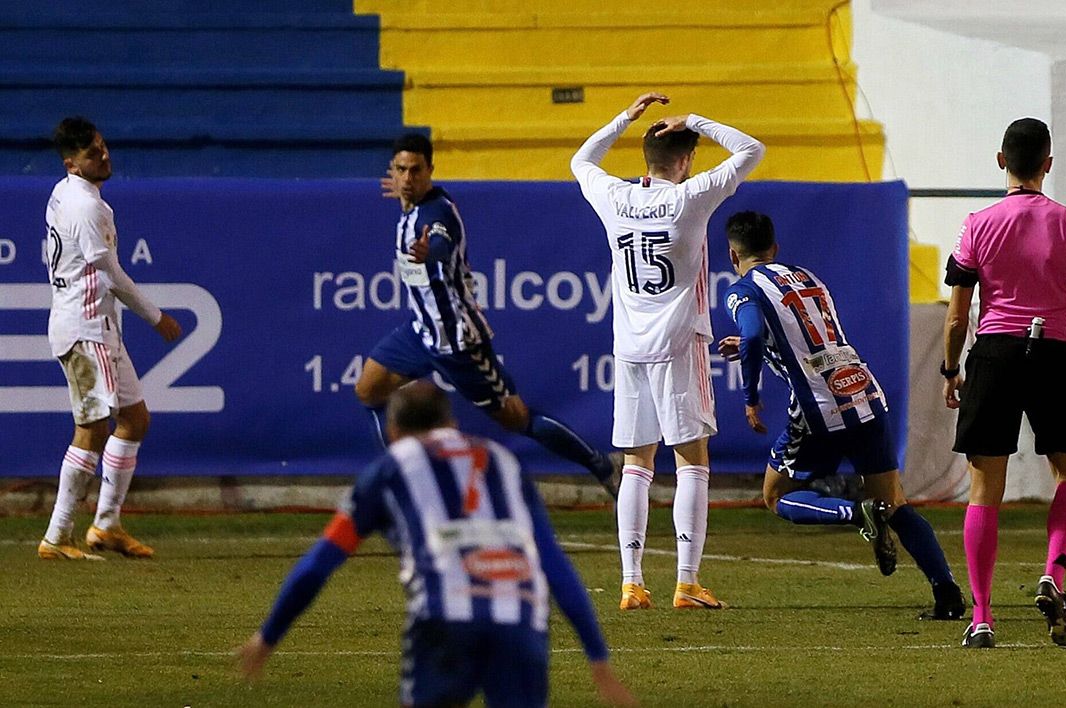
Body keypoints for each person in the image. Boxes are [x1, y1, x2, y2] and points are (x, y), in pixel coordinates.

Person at [236, 381, 636, 708]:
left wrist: (268, 636)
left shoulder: (389, 469)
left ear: (392, 432)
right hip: (521, 619)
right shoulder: (503, 461)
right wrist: (597, 655)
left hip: (445, 620)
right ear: (451, 419)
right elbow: (553, 563)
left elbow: (320, 563)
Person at [718, 211, 965, 620]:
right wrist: (753, 343)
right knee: (895, 502)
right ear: (775, 249)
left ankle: (853, 512)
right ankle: (948, 594)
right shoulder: (807, 277)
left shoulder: (742, 290)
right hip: (863, 389)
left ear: (732, 255)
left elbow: (756, 332)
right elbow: (803, 336)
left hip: (819, 407)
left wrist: (750, 396)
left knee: (775, 495)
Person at [571, 93, 764, 610]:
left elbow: (580, 160)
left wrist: (622, 120)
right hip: (680, 344)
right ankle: (686, 580)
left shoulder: (614, 196)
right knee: (692, 460)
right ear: (685, 159)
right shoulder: (689, 198)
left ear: (646, 159)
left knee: (636, 462)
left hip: (629, 348)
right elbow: (751, 150)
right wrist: (696, 118)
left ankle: (631, 582)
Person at [354, 133, 620, 498]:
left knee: (516, 418)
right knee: (368, 390)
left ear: (431, 170)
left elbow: (442, 243)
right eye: (401, 170)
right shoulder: (411, 203)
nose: (408, 177)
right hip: (421, 332)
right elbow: (412, 203)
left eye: (416, 170)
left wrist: (428, 252)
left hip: (458, 340)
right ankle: (401, 487)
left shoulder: (437, 214)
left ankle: (601, 465)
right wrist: (404, 194)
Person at [942, 118, 1066, 649]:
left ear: (1001, 160)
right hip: (1053, 354)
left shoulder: (976, 223)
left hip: (995, 355)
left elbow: (957, 318)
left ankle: (981, 618)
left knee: (984, 489)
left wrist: (952, 371)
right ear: (1048, 163)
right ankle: (1054, 575)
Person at [37, 117, 182, 561]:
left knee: (134, 419)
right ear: (72, 164)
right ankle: (57, 536)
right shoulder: (85, 206)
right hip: (84, 330)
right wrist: (156, 317)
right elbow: (110, 273)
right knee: (92, 427)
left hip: (100, 327)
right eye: (92, 153)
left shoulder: (68, 192)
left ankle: (106, 525)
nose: (104, 155)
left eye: (102, 146)